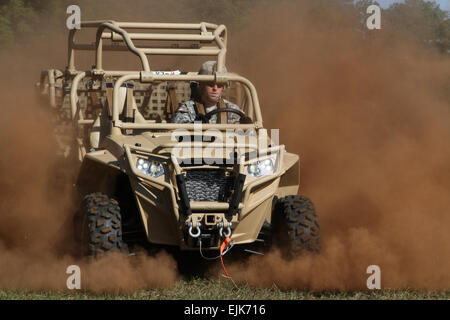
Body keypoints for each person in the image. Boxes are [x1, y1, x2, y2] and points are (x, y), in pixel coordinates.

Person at [172, 61, 247, 124]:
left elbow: (249, 135)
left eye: (220, 85)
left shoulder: (232, 110)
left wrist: (246, 126)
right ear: (201, 84)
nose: (215, 88)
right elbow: (177, 131)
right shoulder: (187, 109)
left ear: (223, 87)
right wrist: (195, 126)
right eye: (210, 84)